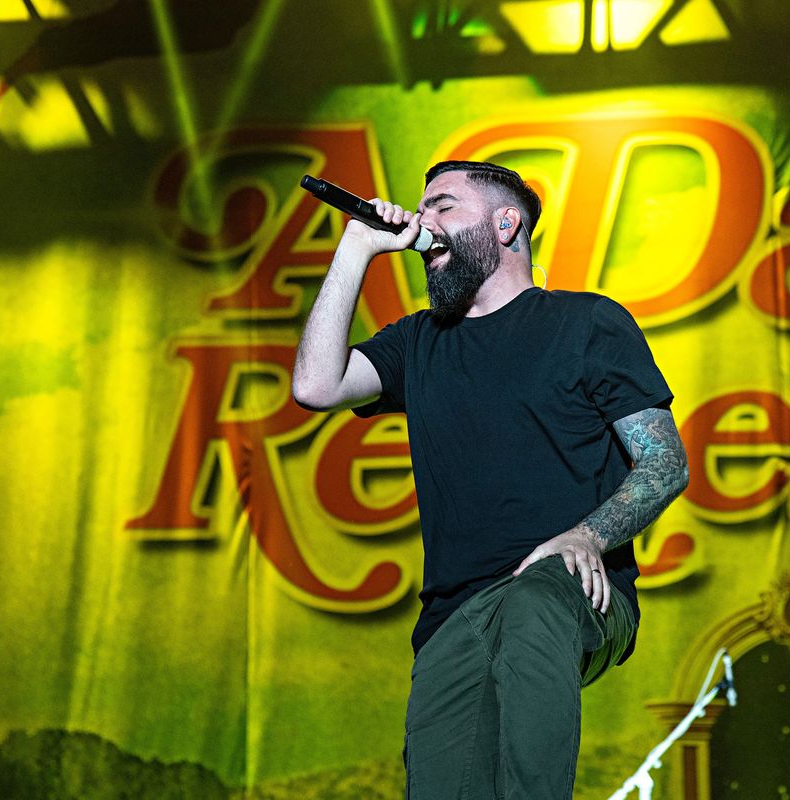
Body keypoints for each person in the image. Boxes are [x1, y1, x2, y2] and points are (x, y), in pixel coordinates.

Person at [292, 160, 689, 799]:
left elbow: (666, 463)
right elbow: (315, 385)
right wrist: (358, 245)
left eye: (444, 206)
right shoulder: (416, 342)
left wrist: (587, 536)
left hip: (575, 589)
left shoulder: (586, 323)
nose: (424, 222)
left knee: (534, 599)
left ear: (506, 224)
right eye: (422, 209)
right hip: (454, 612)